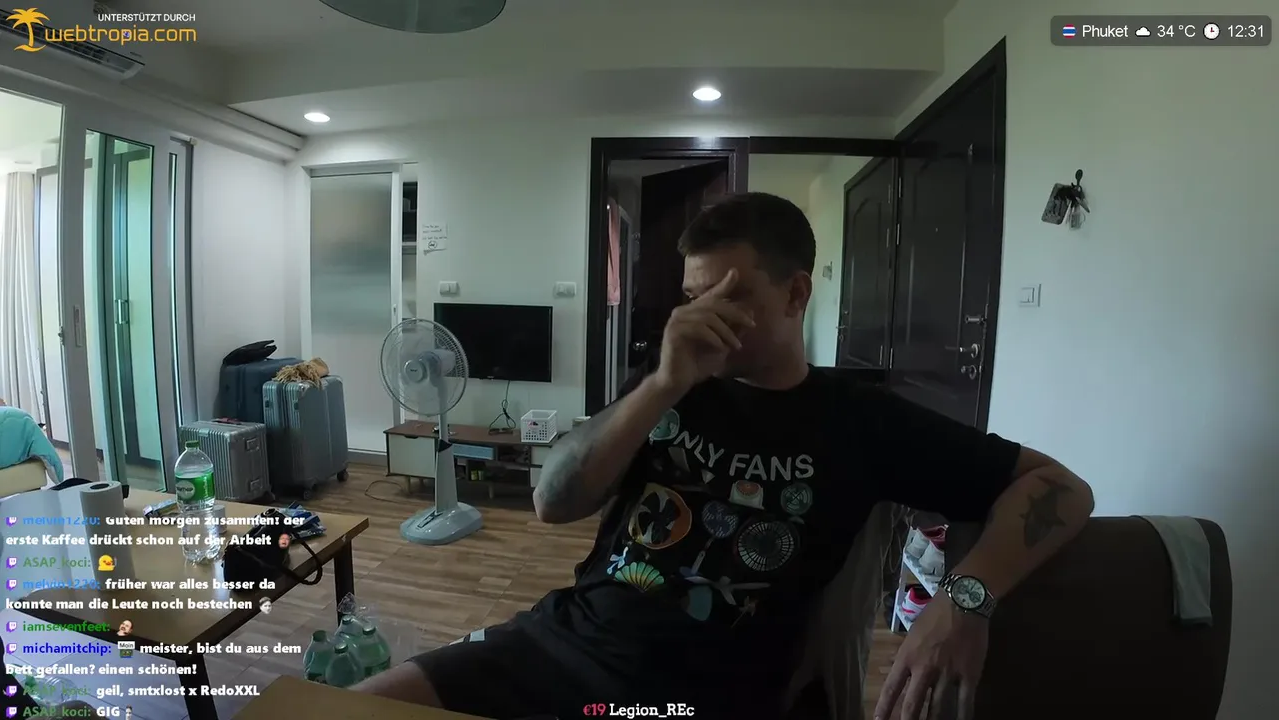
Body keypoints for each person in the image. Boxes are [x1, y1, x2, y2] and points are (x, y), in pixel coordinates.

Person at [354, 192, 1095, 720]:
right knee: (355, 707)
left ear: (795, 295)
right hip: (554, 643)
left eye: (726, 297)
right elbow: (552, 502)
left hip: (686, 698)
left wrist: (964, 601)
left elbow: (1061, 487)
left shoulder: (862, 419)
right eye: (689, 298)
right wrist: (662, 384)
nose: (697, 318)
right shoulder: (669, 382)